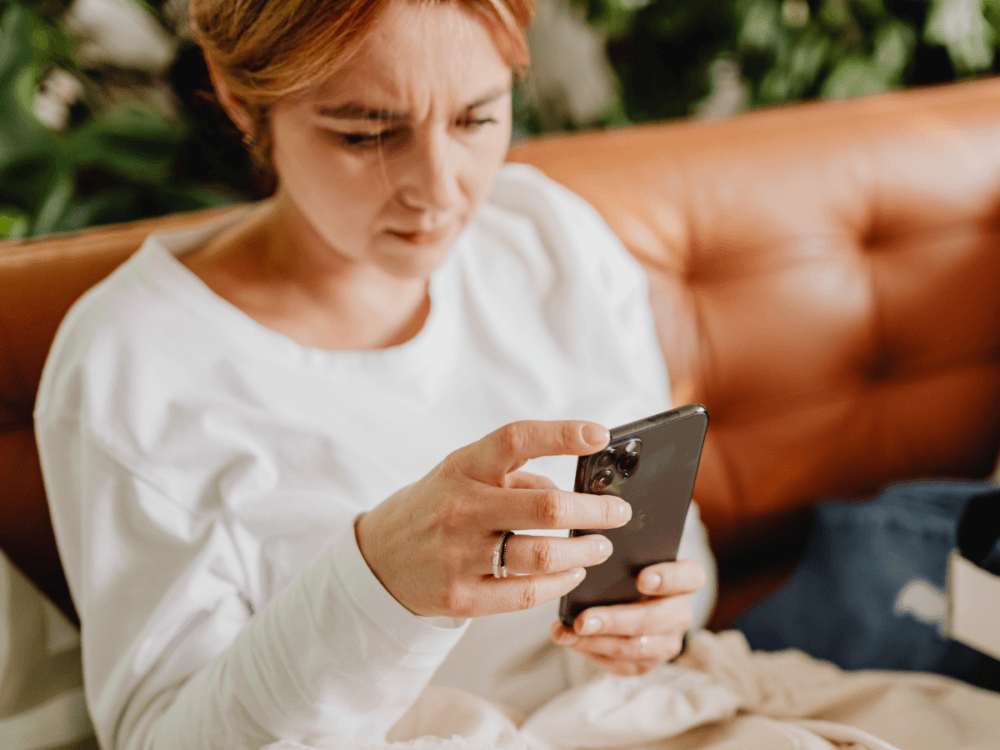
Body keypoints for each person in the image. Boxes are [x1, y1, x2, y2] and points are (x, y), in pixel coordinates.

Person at [33, 1, 715, 748]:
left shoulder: (548, 240)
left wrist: (654, 621)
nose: (439, 190)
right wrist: (377, 586)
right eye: (366, 133)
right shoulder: (133, 363)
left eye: (477, 120)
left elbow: (683, 561)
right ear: (242, 101)